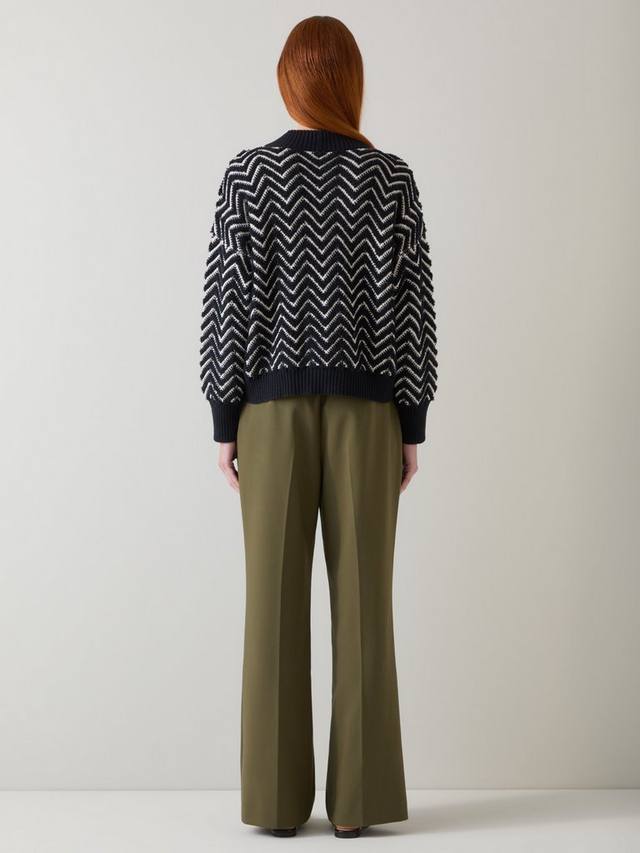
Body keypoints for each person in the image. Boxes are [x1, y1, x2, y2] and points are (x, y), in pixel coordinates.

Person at [199, 15, 438, 839]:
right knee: (366, 604)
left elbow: (227, 299)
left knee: (270, 605)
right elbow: (414, 308)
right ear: (350, 82)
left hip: (268, 412)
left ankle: (273, 804)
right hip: (370, 412)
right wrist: (411, 420)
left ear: (288, 83)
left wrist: (224, 416)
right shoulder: (390, 179)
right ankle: (359, 805)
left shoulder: (249, 175)